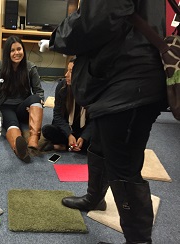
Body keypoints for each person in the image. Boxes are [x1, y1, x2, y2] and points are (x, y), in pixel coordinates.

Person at [47, 1, 167, 243]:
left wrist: (59, 35)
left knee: (124, 170)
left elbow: (91, 23)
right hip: (122, 78)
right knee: (100, 144)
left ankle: (139, 242)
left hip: (130, 82)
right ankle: (95, 198)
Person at [0, 35, 44, 163]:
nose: (17, 53)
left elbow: (39, 91)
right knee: (12, 125)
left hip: (23, 107)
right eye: (12, 50)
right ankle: (20, 150)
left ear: (23, 50)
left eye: (19, 49)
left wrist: (38, 104)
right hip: (5, 106)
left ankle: (34, 138)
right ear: (7, 53)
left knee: (36, 98)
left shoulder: (30, 67)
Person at [41, 57, 91, 153]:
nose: (66, 75)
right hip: (66, 128)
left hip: (83, 130)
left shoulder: (91, 90)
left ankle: (63, 147)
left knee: (103, 137)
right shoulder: (62, 87)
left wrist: (84, 137)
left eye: (71, 72)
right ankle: (74, 146)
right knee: (47, 130)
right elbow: (57, 115)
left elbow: (94, 120)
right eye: (67, 70)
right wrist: (69, 134)